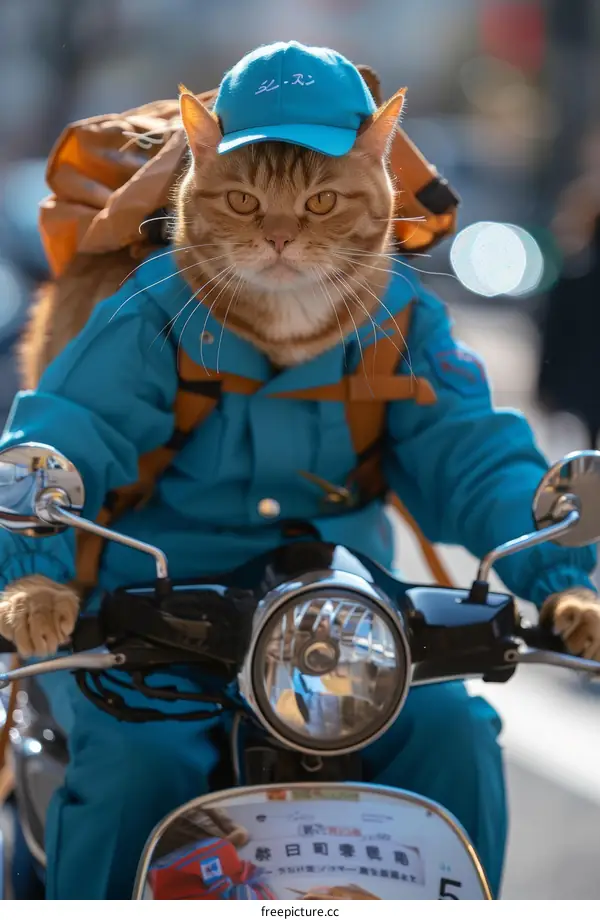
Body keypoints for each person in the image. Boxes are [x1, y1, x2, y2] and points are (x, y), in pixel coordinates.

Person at [0, 42, 598, 901]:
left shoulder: (400, 314)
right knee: (137, 764)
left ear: (376, 177)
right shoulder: (157, 307)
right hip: (154, 632)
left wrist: (560, 574)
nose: (280, 235)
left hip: (346, 637)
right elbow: (64, 437)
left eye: (323, 201)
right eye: (241, 201)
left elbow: (474, 454)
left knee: (455, 734)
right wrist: (37, 574)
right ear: (197, 170)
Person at [537, 139, 600, 449]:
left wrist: (544, 386)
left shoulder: (574, 276)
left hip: (582, 387)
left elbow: (554, 331)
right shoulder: (574, 276)